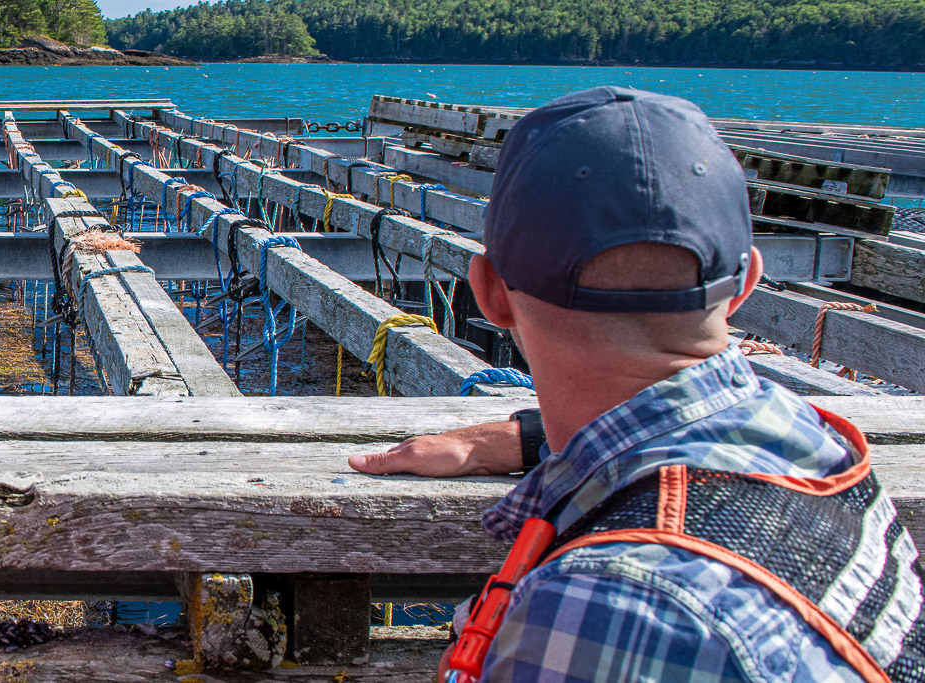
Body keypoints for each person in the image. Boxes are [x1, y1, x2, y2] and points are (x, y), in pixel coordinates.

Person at [349, 87, 924, 682]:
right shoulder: (813, 445)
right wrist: (525, 439)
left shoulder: (615, 606)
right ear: (747, 281)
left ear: (490, 293)